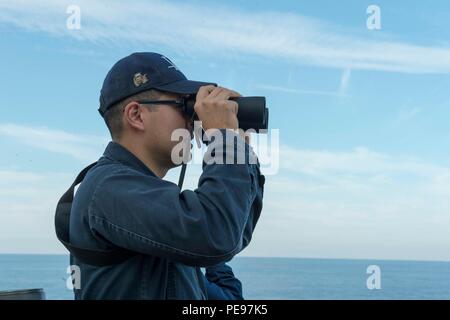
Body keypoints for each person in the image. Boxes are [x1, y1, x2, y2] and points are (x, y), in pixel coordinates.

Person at [68, 52, 264, 299]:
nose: (194, 122)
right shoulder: (108, 187)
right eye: (185, 106)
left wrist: (241, 153)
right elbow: (216, 234)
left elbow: (232, 236)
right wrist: (224, 141)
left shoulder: (137, 190)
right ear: (136, 115)